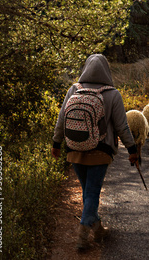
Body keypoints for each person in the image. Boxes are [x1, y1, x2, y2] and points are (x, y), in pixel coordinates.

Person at [51, 54, 139, 251]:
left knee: (87, 192)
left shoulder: (74, 89)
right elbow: (122, 127)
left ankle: (98, 228)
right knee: (91, 193)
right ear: (106, 70)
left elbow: (61, 120)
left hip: (74, 149)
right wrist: (132, 150)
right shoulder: (113, 94)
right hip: (101, 152)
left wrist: (56, 144)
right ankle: (83, 235)